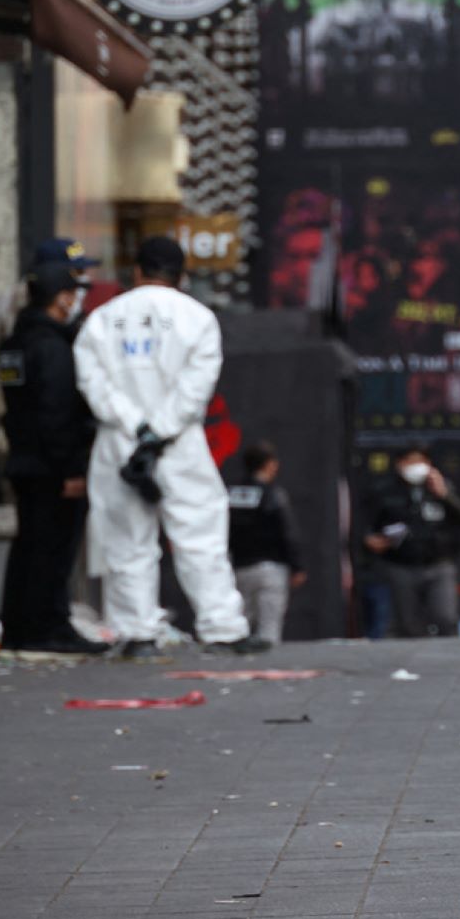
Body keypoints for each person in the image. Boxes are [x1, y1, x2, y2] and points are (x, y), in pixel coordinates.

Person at [73, 236, 266, 658]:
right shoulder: (198, 318)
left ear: (137, 271)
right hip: (179, 444)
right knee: (200, 536)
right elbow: (196, 388)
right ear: (181, 276)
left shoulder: (102, 320)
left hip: (119, 442)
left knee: (126, 540)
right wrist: (159, 431)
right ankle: (222, 629)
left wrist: (134, 427)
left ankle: (136, 632)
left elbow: (93, 384)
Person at [0, 262, 108, 654]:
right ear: (61, 298)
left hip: (25, 461)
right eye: (73, 293)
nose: (77, 301)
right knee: (53, 551)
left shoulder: (14, 345)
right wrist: (72, 469)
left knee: (28, 547)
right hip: (53, 469)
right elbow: (57, 413)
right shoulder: (53, 347)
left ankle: (19, 629)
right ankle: (50, 627)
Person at [364, 447, 460, 638]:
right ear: (399, 464)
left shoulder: (440, 488)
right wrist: (372, 539)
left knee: (445, 616)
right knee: (409, 622)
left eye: (420, 461)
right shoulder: (384, 491)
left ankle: (454, 655)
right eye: (410, 461)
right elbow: (368, 526)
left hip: (438, 562)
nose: (415, 467)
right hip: (402, 564)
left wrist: (444, 495)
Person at [229, 442, 306, 646]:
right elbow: (287, 531)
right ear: (269, 465)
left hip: (239, 566)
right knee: (269, 628)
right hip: (271, 567)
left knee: (239, 621)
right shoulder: (273, 495)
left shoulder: (231, 494)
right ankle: (268, 668)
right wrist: (296, 565)